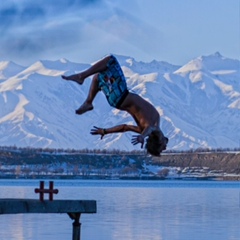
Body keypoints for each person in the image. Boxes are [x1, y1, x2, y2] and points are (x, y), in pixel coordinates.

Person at [61, 55, 168, 156]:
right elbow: (125, 127)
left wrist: (142, 136)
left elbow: (149, 128)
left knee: (110, 61)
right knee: (99, 76)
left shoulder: (155, 127)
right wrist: (105, 131)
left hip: (121, 94)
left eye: (163, 147)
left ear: (158, 141)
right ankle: (88, 102)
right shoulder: (147, 128)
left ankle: (81, 77)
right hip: (115, 102)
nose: (166, 147)